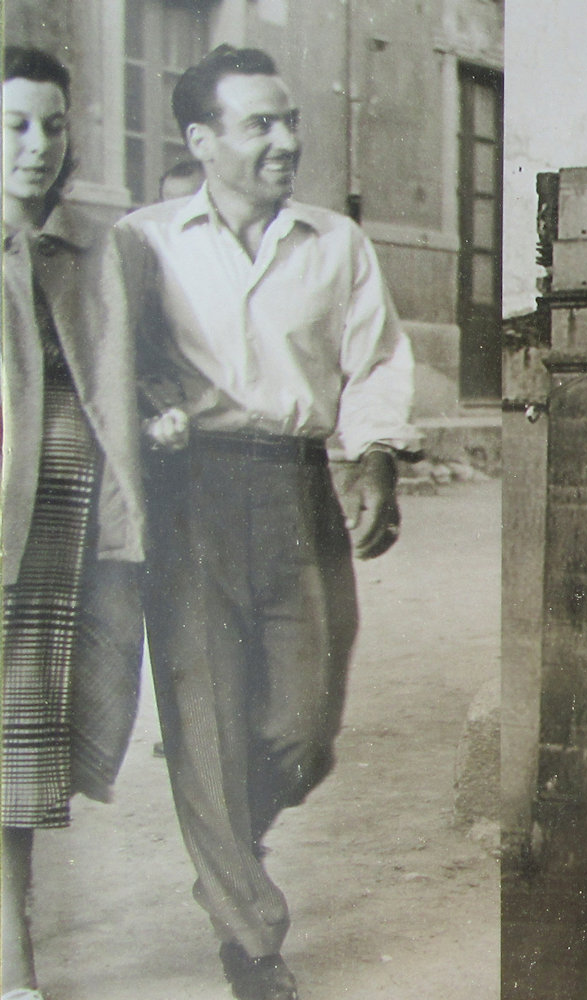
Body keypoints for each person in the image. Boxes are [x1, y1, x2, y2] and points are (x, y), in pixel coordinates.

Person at [114, 44, 418, 1000]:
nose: (287, 139)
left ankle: (224, 846)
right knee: (203, 722)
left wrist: (375, 460)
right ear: (202, 141)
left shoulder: (335, 244)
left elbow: (375, 363)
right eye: (261, 124)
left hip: (296, 492)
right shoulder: (143, 241)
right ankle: (250, 941)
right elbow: (104, 357)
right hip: (188, 497)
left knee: (301, 726)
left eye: (289, 119)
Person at [1, 46, 146, 1000]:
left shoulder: (88, 252)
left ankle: (12, 959)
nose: (38, 146)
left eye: (53, 125)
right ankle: (13, 964)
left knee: (18, 759)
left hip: (62, 534)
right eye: (15, 125)